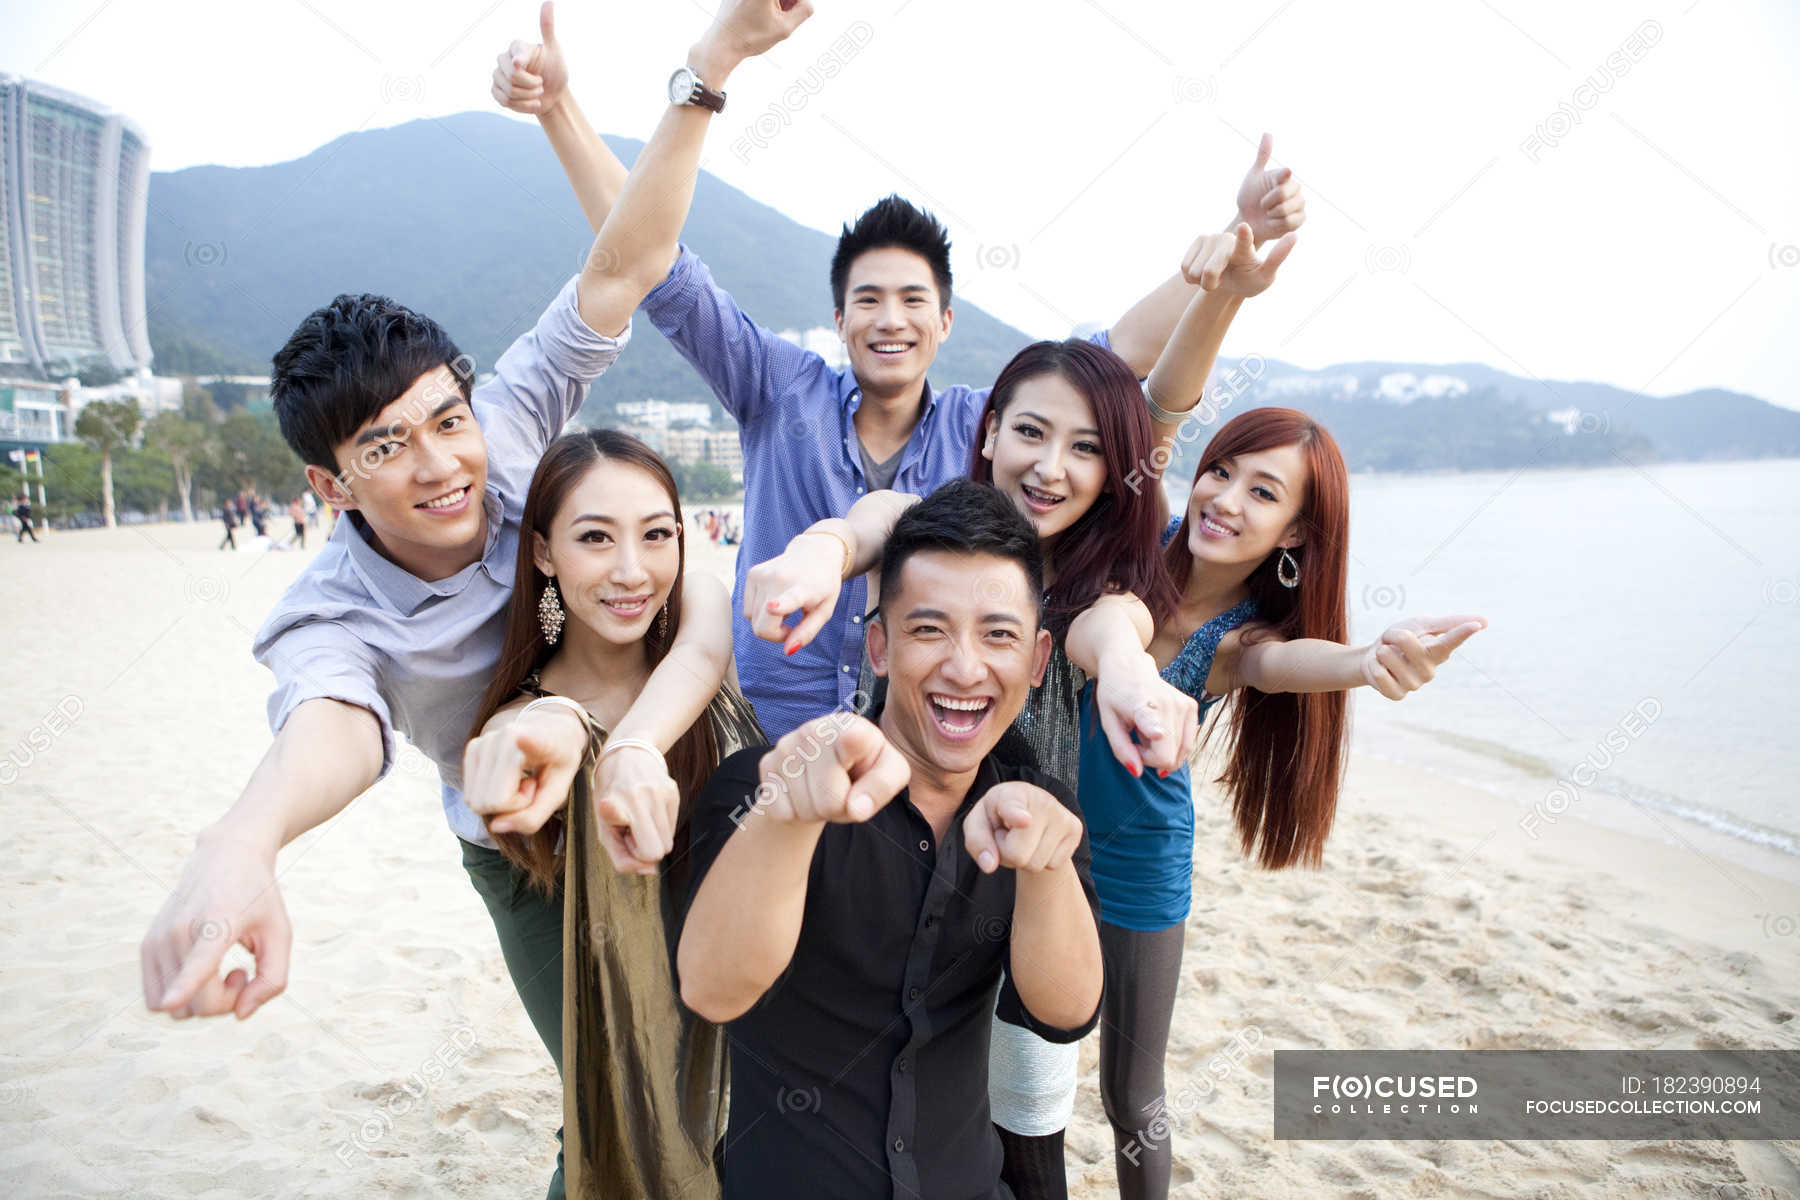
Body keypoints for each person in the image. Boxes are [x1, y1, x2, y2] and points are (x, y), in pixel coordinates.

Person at [135, 5, 816, 1196]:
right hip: (522, 845)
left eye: (446, 420)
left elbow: (628, 264)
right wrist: (244, 843)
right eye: (387, 446)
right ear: (328, 481)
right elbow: (335, 727)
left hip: (663, 772)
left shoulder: (505, 438)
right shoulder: (332, 613)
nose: (445, 465)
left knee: (720, 1062)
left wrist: (704, 70)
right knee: (610, 1091)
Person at [494, 37, 1307, 742]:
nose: (892, 320)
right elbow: (654, 264)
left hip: (913, 742)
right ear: (839, 318)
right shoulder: (779, 387)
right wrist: (559, 109)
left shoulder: (988, 427)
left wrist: (1233, 250)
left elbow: (1118, 354)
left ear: (946, 321)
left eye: (914, 301)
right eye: (869, 301)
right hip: (767, 727)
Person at [743, 219, 1297, 1197]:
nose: (1051, 467)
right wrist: (819, 555)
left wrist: (1132, 683)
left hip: (1030, 864)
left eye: (1087, 448)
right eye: (1031, 432)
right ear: (987, 430)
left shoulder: (1102, 585)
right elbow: (873, 521)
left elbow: (1113, 634)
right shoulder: (937, 530)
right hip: (906, 855)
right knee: (892, 1092)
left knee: (1032, 1124)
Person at [1068, 404, 1484, 1196]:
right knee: (1018, 1044)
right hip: (1040, 832)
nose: (1224, 499)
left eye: (1264, 493)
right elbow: (1160, 395)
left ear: (1295, 533)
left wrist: (1369, 661)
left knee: (1130, 1092)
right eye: (1221, 472)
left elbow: (1286, 665)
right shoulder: (1131, 545)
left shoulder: (1240, 640)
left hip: (1138, 861)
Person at [677, 480, 1105, 1199]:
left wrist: (1049, 869)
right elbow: (714, 991)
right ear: (878, 644)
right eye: (929, 629)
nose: (965, 668)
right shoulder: (768, 783)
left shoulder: (1039, 812)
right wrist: (785, 818)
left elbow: (1066, 1014)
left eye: (997, 635)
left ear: (1035, 660)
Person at [461, 430, 766, 1198]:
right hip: (567, 929)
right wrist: (525, 739)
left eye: (656, 535)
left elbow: (701, 629)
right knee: (615, 1105)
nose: (632, 571)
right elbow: (524, 737)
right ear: (542, 552)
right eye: (595, 538)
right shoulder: (535, 717)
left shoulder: (700, 653)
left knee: (712, 1121)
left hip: (722, 963)